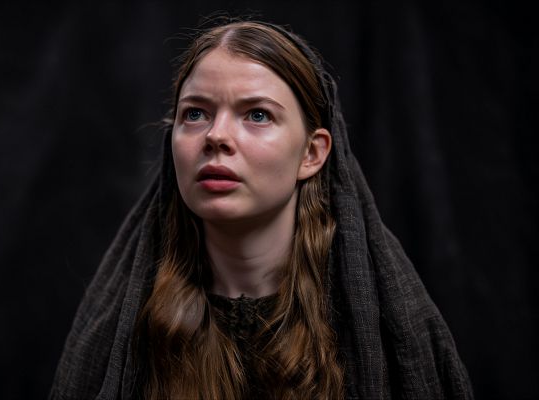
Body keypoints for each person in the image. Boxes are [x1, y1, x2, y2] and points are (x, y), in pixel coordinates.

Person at [50, 19, 473, 399]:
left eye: (256, 115)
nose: (216, 136)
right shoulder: (121, 330)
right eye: (195, 113)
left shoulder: (383, 329)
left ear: (312, 153)